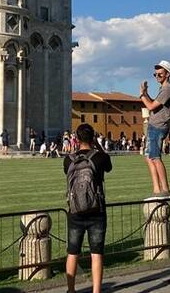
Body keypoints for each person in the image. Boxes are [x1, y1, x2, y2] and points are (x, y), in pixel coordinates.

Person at [64, 124, 112, 293]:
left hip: (75, 211)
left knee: (72, 252)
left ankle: (71, 290)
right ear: (92, 138)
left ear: (76, 139)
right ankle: (96, 291)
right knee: (96, 253)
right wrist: (98, 145)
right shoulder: (100, 157)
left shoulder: (68, 159)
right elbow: (109, 166)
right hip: (97, 211)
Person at [139, 60, 170, 199]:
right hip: (155, 125)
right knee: (149, 157)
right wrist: (146, 94)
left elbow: (151, 107)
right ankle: (157, 189)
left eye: (160, 74)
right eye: (156, 74)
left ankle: (165, 189)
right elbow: (154, 103)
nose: (157, 76)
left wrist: (142, 95)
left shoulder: (167, 89)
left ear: (168, 74)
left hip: (158, 126)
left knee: (155, 157)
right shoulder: (164, 89)